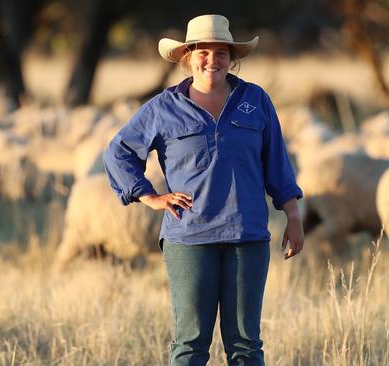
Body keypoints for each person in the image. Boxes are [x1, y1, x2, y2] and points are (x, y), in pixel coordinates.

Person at [104, 14, 304, 366]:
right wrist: (149, 196)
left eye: (221, 52)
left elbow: (277, 163)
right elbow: (118, 151)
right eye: (203, 52)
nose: (212, 60)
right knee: (190, 343)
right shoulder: (163, 108)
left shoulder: (255, 101)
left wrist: (293, 215)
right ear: (188, 57)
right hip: (188, 237)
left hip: (248, 235)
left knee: (245, 344)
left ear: (232, 57)